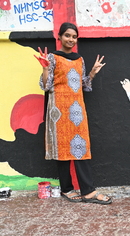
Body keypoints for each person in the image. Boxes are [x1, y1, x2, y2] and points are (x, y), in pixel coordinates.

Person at [35, 22, 112, 204]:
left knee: (81, 148)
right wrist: (45, 67)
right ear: (60, 37)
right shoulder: (52, 58)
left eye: (74, 36)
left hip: (77, 110)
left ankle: (88, 191)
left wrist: (92, 72)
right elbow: (45, 86)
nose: (71, 39)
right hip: (58, 110)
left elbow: (84, 86)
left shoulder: (80, 60)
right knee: (62, 150)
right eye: (67, 35)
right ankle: (67, 189)